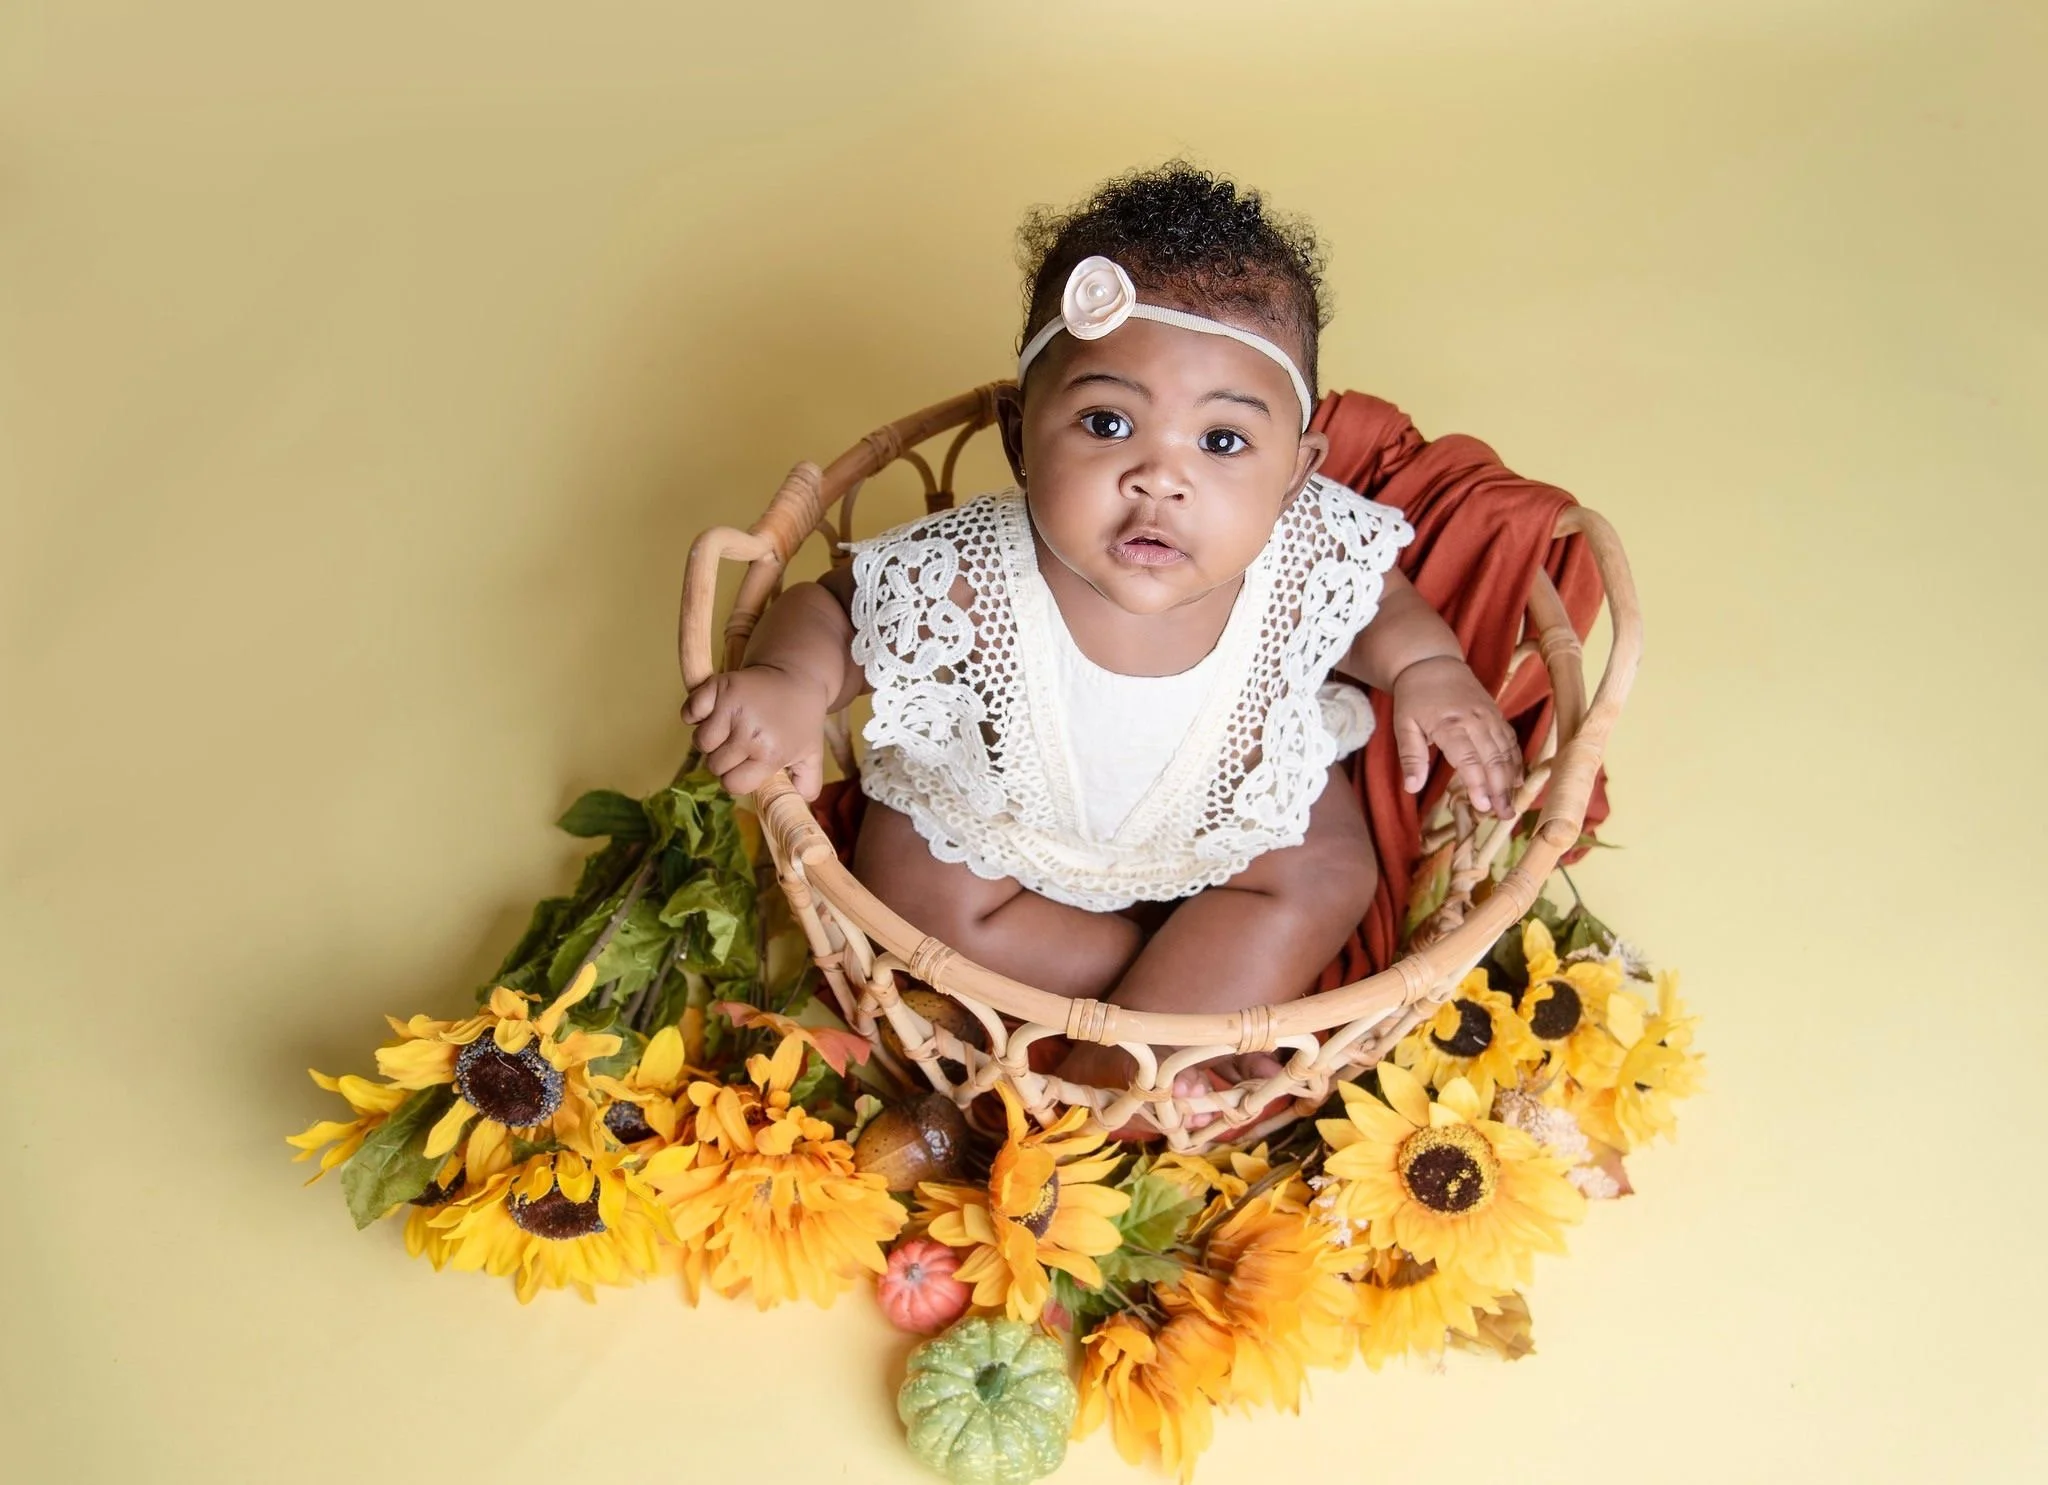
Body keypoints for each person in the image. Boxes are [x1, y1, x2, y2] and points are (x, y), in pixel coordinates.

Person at [682, 162, 1526, 1106]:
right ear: (1016, 436)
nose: (1159, 479)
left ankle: (1101, 1079)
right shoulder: (974, 569)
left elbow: (1373, 603)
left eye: (1222, 442)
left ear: (1297, 473)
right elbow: (837, 607)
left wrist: (1429, 666)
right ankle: (1162, 1009)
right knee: (907, 879)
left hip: (1228, 810)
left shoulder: (1302, 546)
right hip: (1012, 830)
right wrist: (792, 684)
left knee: (1330, 868)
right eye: (1108, 421)